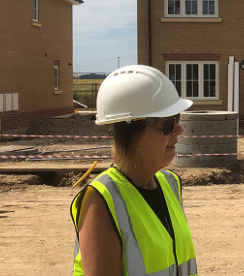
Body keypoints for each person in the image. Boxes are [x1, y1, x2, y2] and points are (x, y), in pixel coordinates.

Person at [70, 65, 198, 276]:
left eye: (177, 118)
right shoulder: (101, 201)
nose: (178, 130)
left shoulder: (171, 184)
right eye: (166, 124)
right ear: (131, 134)